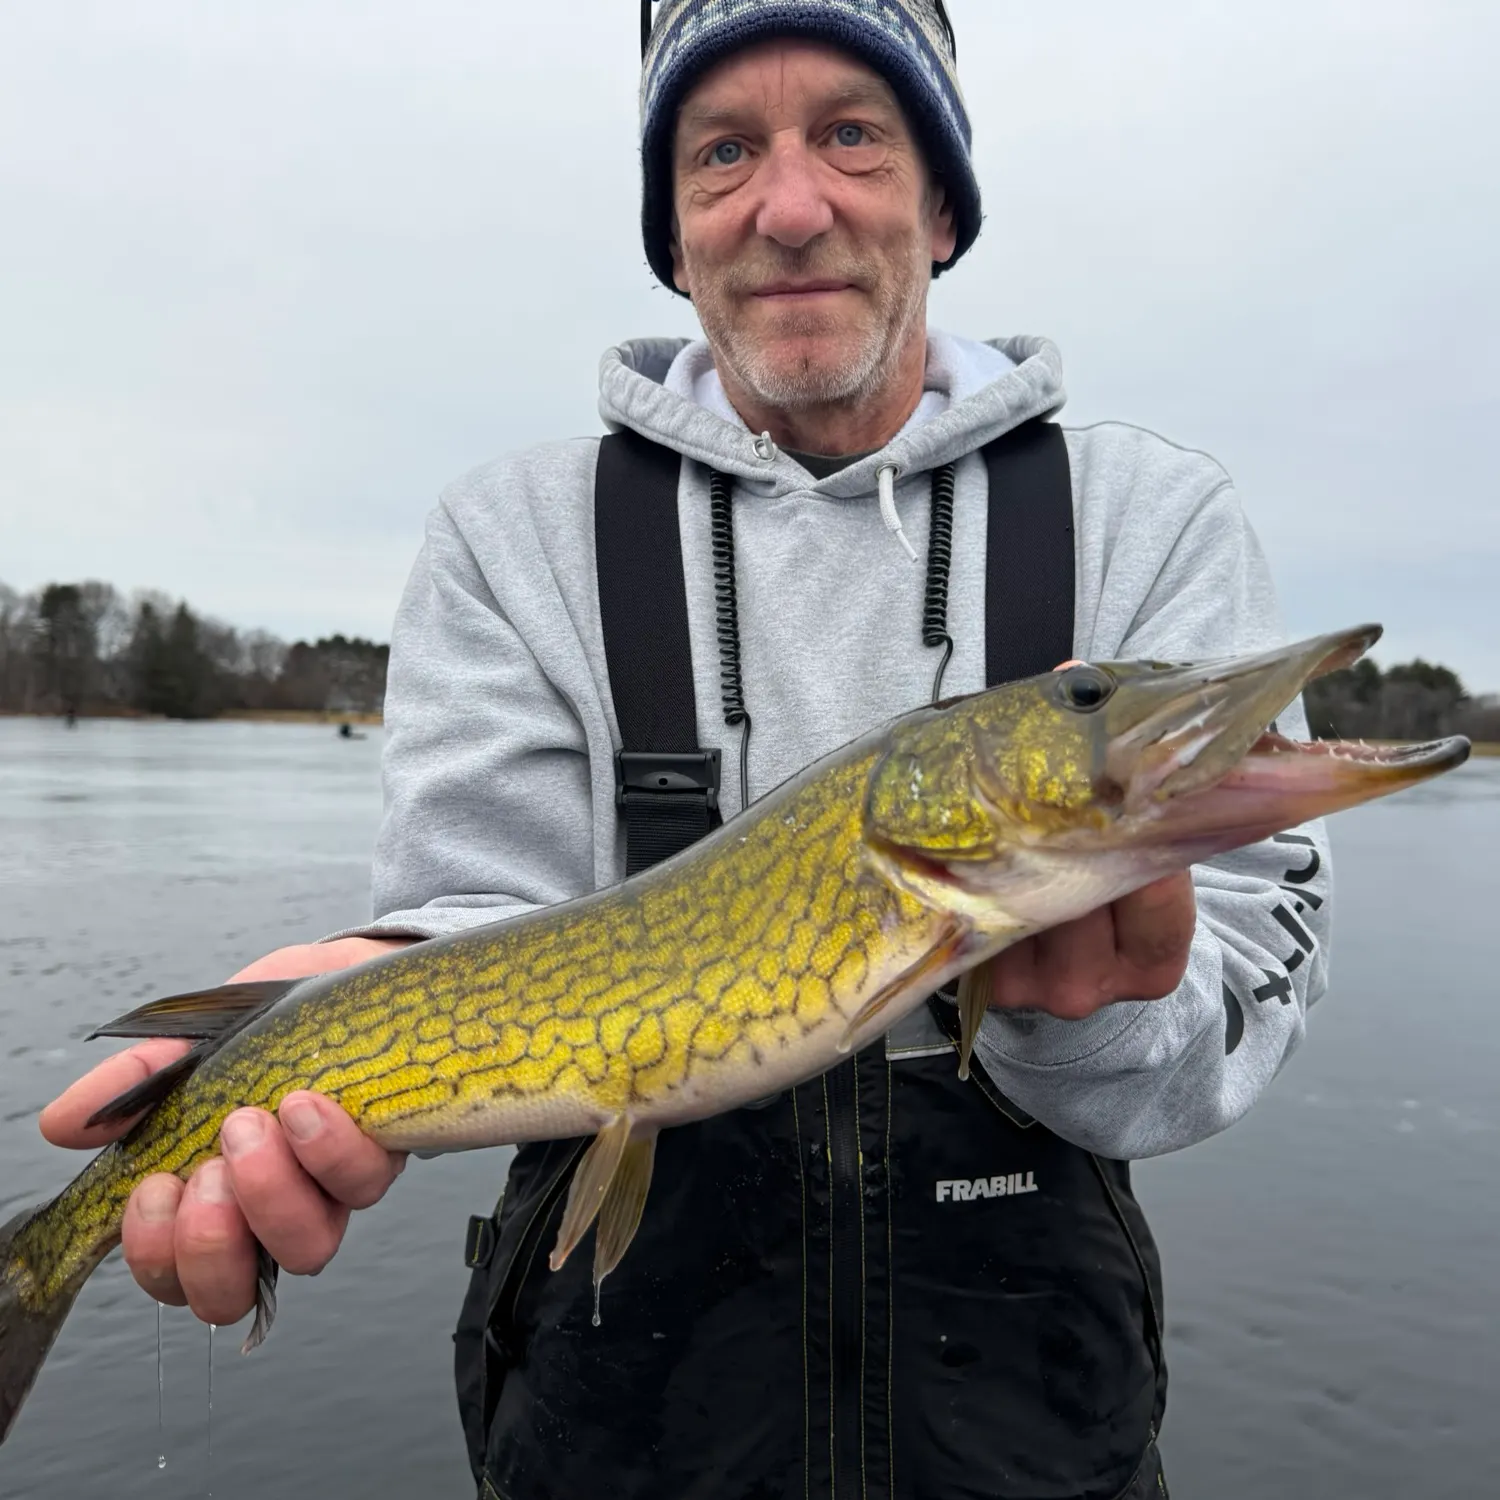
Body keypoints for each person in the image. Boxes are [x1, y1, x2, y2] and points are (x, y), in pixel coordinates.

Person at [40, 4, 1333, 1496]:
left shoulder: (1145, 515)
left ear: (947, 203)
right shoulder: (511, 531)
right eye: (723, 154)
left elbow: (1231, 1001)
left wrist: (1095, 1016)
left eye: (853, 133)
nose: (791, 207)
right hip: (623, 1401)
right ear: (674, 234)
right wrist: (369, 990)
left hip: (1028, 1394)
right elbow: (479, 914)